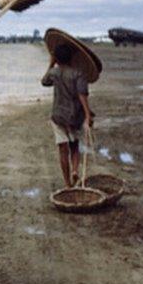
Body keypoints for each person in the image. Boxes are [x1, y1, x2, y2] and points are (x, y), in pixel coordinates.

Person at [42, 43, 94, 187]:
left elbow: (44, 82)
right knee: (74, 147)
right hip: (75, 117)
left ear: (57, 59)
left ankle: (67, 183)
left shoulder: (54, 72)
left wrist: (51, 64)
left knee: (62, 150)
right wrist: (88, 115)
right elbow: (82, 95)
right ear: (72, 58)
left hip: (58, 116)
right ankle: (75, 170)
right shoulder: (79, 73)